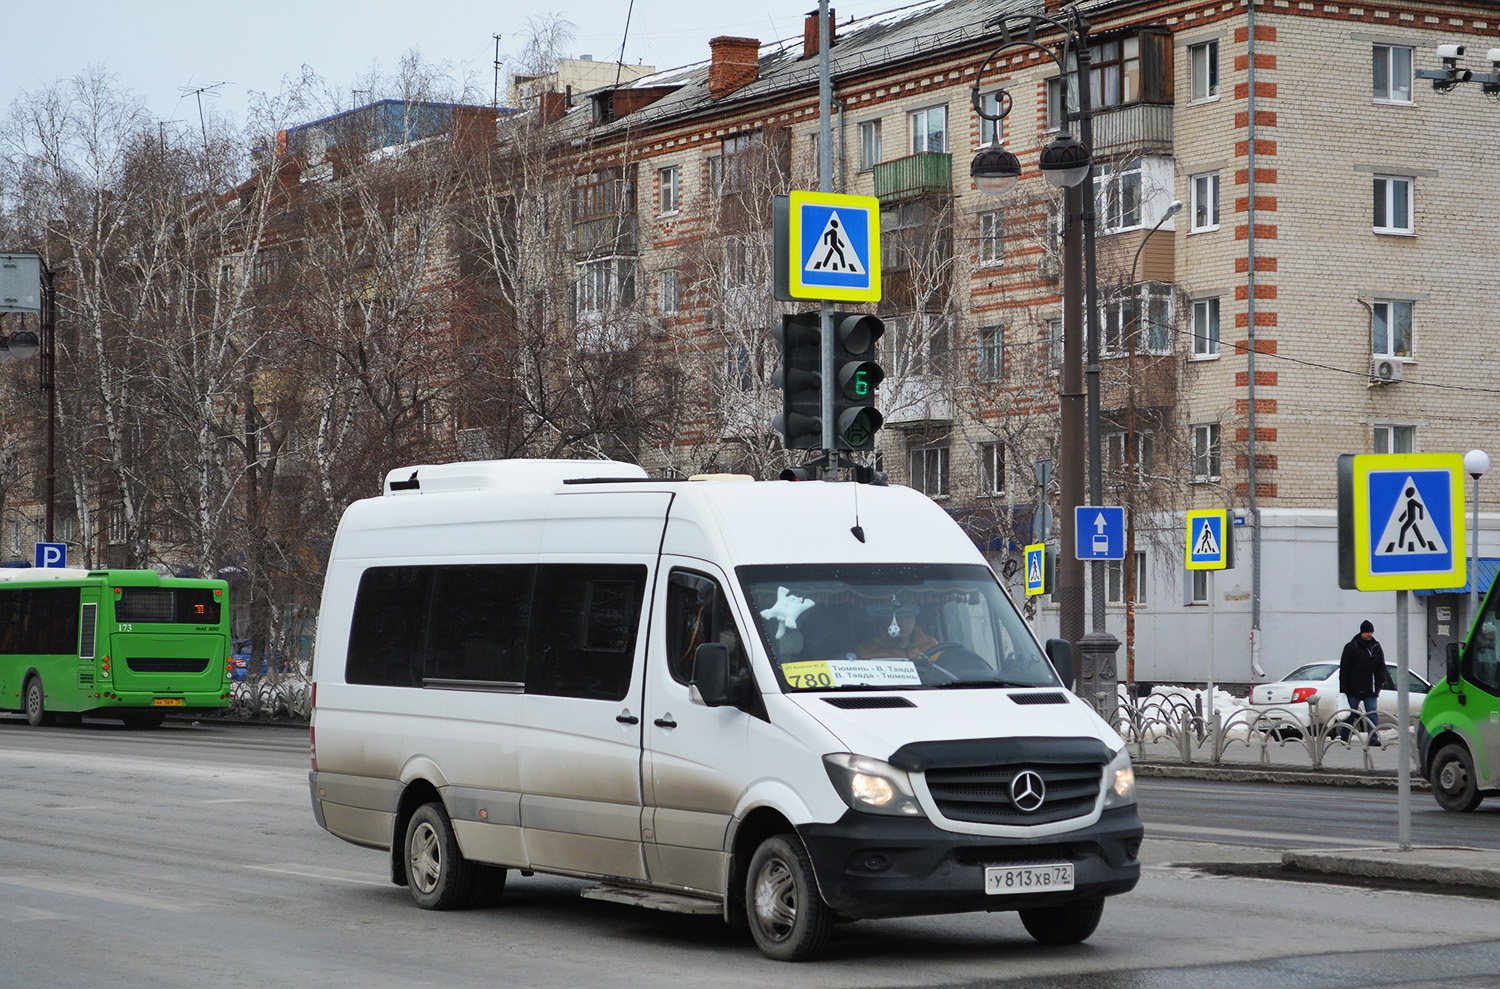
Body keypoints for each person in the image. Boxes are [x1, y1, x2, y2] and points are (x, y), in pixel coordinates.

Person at [1339, 619, 1385, 745]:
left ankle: (1373, 738)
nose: (1370, 634)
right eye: (1367, 632)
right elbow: (1344, 669)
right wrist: (1343, 688)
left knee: (1372, 714)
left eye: (1371, 632)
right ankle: (1344, 736)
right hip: (1355, 688)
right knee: (1350, 714)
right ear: (1361, 632)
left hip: (1371, 688)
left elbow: (1381, 666)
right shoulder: (1351, 647)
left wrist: (1380, 682)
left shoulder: (1376, 647)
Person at [849, 604, 939, 662]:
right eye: (896, 619)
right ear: (884, 620)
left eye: (908, 617)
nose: (902, 623)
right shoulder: (866, 650)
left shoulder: (930, 644)